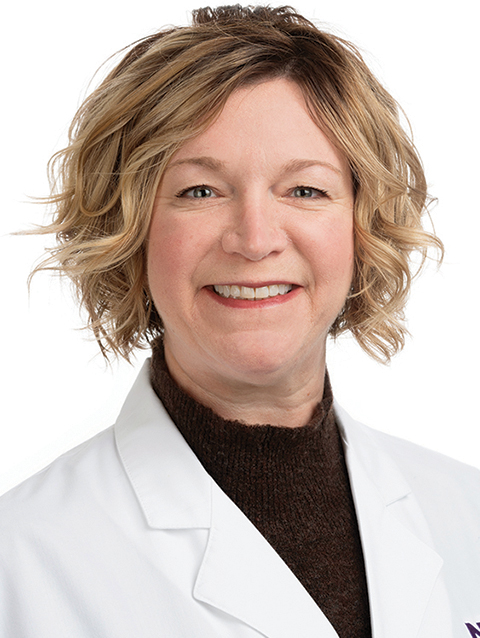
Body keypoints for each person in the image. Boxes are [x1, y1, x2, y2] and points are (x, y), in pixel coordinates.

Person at [1, 4, 479, 637]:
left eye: (305, 190)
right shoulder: (21, 561)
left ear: (364, 226)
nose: (255, 240)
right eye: (200, 191)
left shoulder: (465, 513)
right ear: (129, 229)